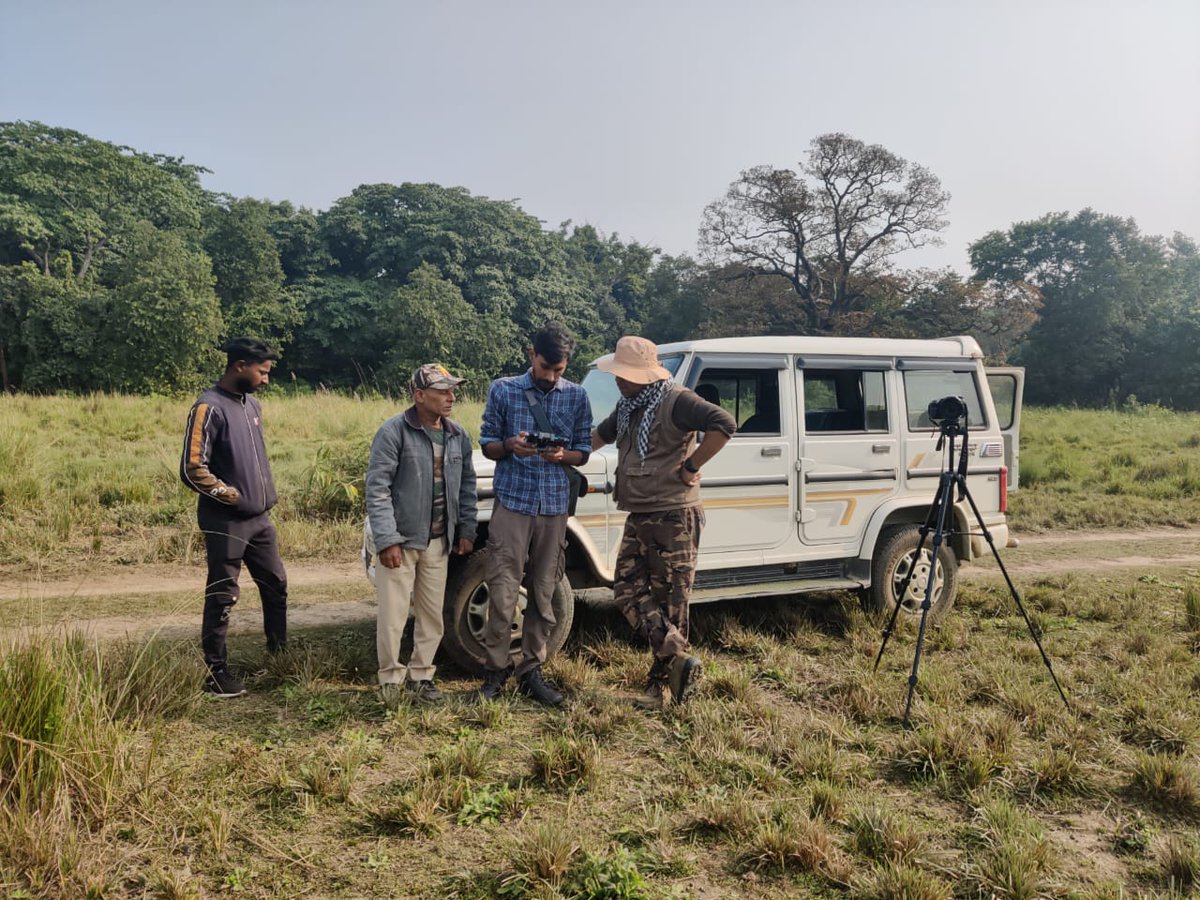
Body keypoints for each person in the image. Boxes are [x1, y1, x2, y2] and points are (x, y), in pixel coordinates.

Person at [591, 335, 736, 711]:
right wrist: (564, 452)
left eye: (626, 374)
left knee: (672, 602)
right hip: (640, 513)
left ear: (647, 373)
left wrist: (691, 466)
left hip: (674, 515)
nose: (619, 380)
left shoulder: (676, 400)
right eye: (618, 374)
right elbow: (597, 438)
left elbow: (724, 423)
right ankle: (677, 659)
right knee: (625, 587)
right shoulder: (628, 407)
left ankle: (665, 690)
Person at [475, 322, 593, 706]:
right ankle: (495, 671)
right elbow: (489, 444)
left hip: (555, 506)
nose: (551, 376)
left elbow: (582, 452)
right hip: (513, 502)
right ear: (532, 355)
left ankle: (531, 671)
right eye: (546, 367)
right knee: (502, 588)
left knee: (544, 591)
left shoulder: (577, 396)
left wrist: (563, 456)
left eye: (559, 370)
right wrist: (510, 445)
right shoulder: (503, 389)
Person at [180, 337, 288, 698]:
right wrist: (230, 495)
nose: (266, 379)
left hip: (260, 519)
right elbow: (192, 468)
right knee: (223, 595)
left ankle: (279, 653)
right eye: (262, 372)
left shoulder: (251, 404)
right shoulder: (207, 408)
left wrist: (258, 498)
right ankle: (216, 671)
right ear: (239, 366)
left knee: (276, 584)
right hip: (227, 521)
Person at [365, 364, 477, 706]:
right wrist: (387, 539)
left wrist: (467, 529)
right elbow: (378, 488)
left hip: (439, 541)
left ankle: (422, 676)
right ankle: (390, 680)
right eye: (442, 390)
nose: (450, 396)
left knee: (431, 615)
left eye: (452, 390)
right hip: (401, 540)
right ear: (419, 395)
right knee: (394, 615)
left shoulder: (458, 435)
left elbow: (468, 487)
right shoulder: (394, 432)